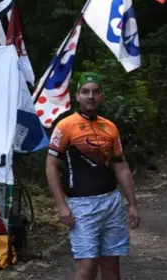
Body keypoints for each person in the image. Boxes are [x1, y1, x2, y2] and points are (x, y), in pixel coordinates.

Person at [45, 72, 140, 280]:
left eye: (95, 92)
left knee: (112, 266)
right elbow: (51, 166)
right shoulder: (65, 126)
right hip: (81, 205)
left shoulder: (110, 127)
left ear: (101, 96)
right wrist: (61, 205)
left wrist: (132, 204)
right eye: (85, 92)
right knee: (87, 267)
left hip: (111, 203)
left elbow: (121, 167)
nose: (91, 96)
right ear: (77, 96)